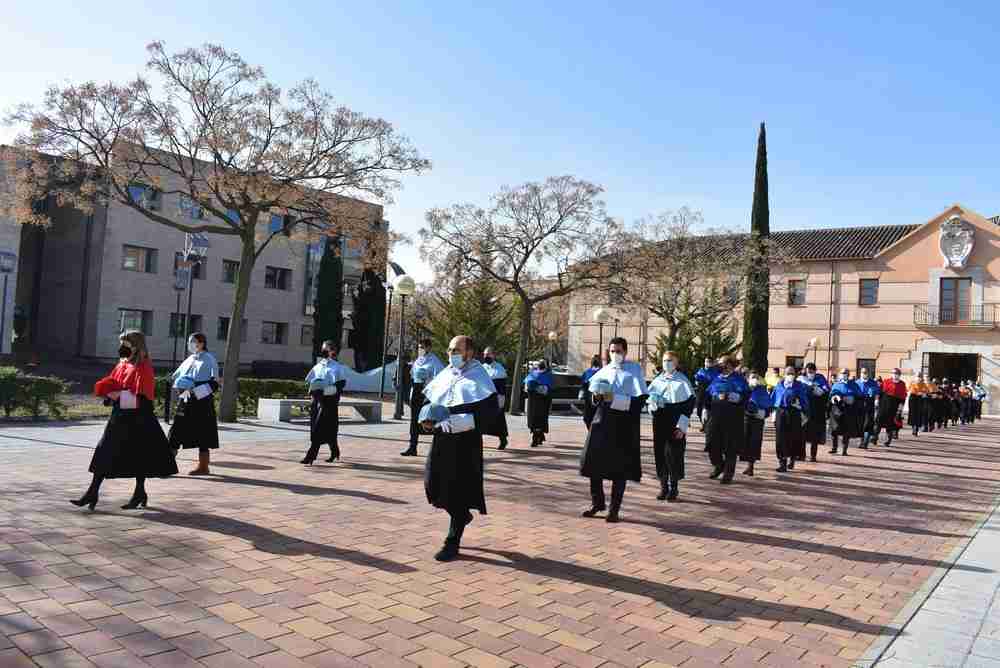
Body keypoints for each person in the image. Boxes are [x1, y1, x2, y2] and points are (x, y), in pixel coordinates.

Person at [72, 330, 177, 511]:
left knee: (139, 456)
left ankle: (138, 493)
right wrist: (109, 395)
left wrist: (119, 396)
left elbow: (143, 397)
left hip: (139, 418)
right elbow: (114, 383)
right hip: (120, 416)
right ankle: (92, 492)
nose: (121, 347)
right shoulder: (122, 363)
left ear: (135, 345)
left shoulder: (144, 366)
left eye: (125, 344)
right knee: (104, 451)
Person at [421, 335, 500, 561]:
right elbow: (432, 404)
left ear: (469, 353)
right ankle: (462, 515)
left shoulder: (480, 376)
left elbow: (491, 412)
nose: (451, 354)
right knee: (432, 486)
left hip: (466, 442)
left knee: (458, 491)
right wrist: (428, 421)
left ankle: (452, 542)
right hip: (441, 438)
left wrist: (466, 421)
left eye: (456, 350)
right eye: (449, 350)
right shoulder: (445, 373)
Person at [579, 337, 647, 521]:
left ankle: (614, 509)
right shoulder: (604, 370)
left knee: (620, 468)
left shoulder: (634, 371)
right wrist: (596, 397)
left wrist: (615, 400)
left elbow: (640, 400)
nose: (614, 354)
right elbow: (592, 396)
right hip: (602, 422)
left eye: (618, 351)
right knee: (593, 463)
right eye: (611, 351)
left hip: (623, 424)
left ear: (625, 352)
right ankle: (597, 503)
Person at [167, 332, 220, 475]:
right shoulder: (189, 359)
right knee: (176, 430)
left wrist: (196, 392)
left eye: (193, 341)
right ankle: (167, 464)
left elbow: (214, 383)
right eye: (189, 341)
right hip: (185, 398)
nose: (190, 344)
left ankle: (203, 466)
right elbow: (176, 376)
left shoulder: (210, 359)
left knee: (203, 434)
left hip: (201, 402)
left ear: (201, 343)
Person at [647, 350, 694, 501]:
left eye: (670, 361)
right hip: (659, 419)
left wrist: (682, 427)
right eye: (664, 360)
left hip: (675, 420)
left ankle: (674, 487)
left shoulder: (682, 381)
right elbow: (649, 398)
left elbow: (688, 406)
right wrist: (651, 407)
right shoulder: (657, 379)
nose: (666, 363)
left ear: (676, 363)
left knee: (674, 454)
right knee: (660, 453)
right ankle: (663, 487)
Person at [301, 341, 347, 465]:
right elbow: (311, 380)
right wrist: (311, 392)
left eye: (326, 349)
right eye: (323, 349)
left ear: (333, 351)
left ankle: (310, 456)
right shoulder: (318, 365)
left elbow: (340, 384)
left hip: (329, 403)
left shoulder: (337, 367)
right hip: (316, 401)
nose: (324, 352)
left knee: (318, 429)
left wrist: (327, 391)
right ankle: (335, 451)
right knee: (327, 430)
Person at [705, 355, 749, 484]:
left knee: (730, 446)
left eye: (722, 363)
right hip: (716, 415)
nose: (720, 365)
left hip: (732, 417)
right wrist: (705, 409)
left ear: (730, 365)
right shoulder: (716, 379)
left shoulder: (739, 379)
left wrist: (735, 396)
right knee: (712, 443)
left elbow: (745, 395)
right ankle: (719, 465)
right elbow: (708, 394)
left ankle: (728, 473)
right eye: (719, 363)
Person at [401, 339, 445, 456]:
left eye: (423, 347)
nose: (420, 349)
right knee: (414, 420)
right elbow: (412, 375)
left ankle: (438, 448)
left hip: (426, 392)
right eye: (419, 347)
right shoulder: (418, 361)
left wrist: (430, 390)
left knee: (429, 420)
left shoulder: (434, 361)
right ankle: (412, 446)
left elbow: (439, 377)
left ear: (429, 348)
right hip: (416, 391)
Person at [772, 366, 810, 472]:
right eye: (788, 373)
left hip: (794, 413)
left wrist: (801, 407)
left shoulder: (799, 386)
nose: (790, 375)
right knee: (780, 437)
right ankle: (782, 462)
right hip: (781, 412)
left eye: (792, 373)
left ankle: (792, 459)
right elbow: (774, 398)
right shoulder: (779, 385)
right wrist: (774, 413)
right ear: (784, 374)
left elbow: (804, 401)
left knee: (793, 437)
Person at [742, 370, 771, 477]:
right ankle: (748, 465)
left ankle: (751, 466)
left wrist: (763, 413)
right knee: (745, 440)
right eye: (752, 377)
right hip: (746, 418)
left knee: (755, 441)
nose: (754, 379)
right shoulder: (745, 388)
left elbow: (768, 405)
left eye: (756, 377)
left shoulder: (762, 390)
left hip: (758, 420)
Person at [798, 362, 829, 462]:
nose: (809, 374)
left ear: (815, 371)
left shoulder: (820, 378)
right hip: (805, 410)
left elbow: (826, 388)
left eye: (811, 372)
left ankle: (813, 456)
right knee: (802, 433)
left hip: (817, 411)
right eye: (808, 372)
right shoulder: (802, 379)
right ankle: (801, 455)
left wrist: (818, 389)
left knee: (815, 435)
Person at [828, 369, 861, 455]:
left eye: (845, 373)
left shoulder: (853, 384)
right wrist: (834, 398)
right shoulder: (836, 384)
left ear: (848, 375)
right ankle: (834, 448)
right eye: (842, 373)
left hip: (849, 410)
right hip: (837, 409)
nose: (844, 375)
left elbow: (859, 395)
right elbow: (831, 395)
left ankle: (844, 449)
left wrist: (852, 399)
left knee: (846, 431)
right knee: (834, 429)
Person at [482, 347, 509, 449]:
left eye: (488, 354)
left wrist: (501, 400)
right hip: (483, 398)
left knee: (498, 420)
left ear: (493, 355)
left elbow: (501, 387)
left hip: (495, 398)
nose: (486, 356)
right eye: (484, 354)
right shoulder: (482, 368)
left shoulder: (499, 369)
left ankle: (503, 440)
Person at [524, 359, 554, 447]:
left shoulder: (548, 375)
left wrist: (538, 387)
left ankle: (537, 437)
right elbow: (526, 385)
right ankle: (538, 436)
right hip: (533, 400)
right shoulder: (533, 373)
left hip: (542, 401)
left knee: (540, 419)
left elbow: (548, 389)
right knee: (534, 419)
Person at [876, 368, 907, 445]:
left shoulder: (902, 384)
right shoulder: (886, 381)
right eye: (894, 374)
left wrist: (901, 407)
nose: (895, 375)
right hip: (884, 403)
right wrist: (876, 400)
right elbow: (880, 392)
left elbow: (903, 397)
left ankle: (888, 440)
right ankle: (874, 437)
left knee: (890, 424)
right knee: (878, 421)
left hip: (894, 405)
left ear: (899, 375)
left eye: (897, 374)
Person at [855, 367, 880, 449]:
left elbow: (877, 393)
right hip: (859, 404)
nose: (864, 374)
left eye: (865, 372)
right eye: (862, 372)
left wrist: (876, 400)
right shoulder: (857, 382)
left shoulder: (873, 383)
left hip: (869, 404)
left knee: (868, 423)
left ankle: (865, 442)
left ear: (868, 374)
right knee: (861, 424)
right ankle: (862, 441)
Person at [694, 357, 720, 432]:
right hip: (701, 392)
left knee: (708, 410)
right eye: (706, 361)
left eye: (709, 361)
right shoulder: (701, 370)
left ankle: (706, 425)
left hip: (710, 393)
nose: (707, 363)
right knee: (699, 410)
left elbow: (716, 381)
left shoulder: (715, 372)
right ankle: (703, 423)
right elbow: (696, 378)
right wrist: (696, 380)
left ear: (712, 363)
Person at [580, 355, 602, 429]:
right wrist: (581, 393)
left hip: (600, 399)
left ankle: (595, 433)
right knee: (587, 418)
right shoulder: (587, 372)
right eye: (594, 359)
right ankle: (591, 431)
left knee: (599, 419)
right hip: (589, 399)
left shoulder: (604, 372)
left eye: (597, 359)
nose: (595, 361)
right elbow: (583, 385)